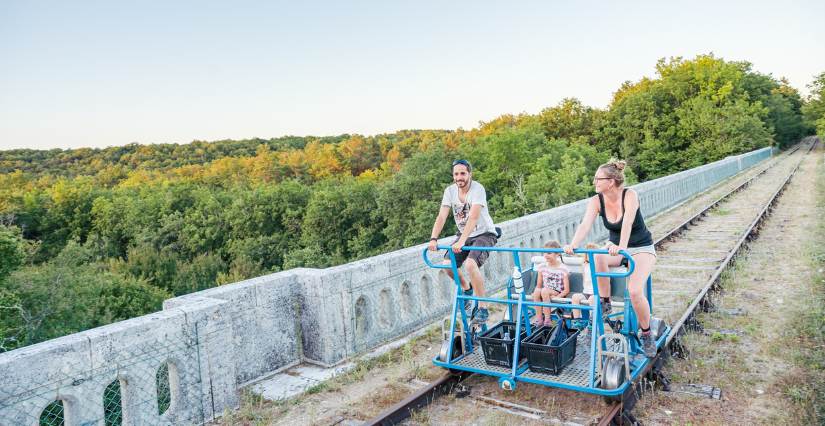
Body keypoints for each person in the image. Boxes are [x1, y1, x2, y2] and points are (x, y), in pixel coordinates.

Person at [563, 158, 659, 358]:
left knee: (634, 291)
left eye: (598, 179)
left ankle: (647, 333)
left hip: (641, 248)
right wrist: (573, 244)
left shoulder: (630, 195)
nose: (594, 182)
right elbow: (585, 225)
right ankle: (604, 301)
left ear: (611, 181)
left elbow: (628, 222)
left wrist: (622, 248)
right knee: (597, 256)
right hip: (617, 248)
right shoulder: (596, 201)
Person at [428, 159, 498, 325]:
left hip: (484, 233)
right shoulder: (450, 191)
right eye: (456, 174)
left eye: (462, 174)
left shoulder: (477, 189)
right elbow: (442, 215)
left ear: (469, 174)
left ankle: (482, 307)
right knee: (447, 265)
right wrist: (433, 238)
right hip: (464, 234)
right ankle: (467, 289)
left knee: (470, 265)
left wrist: (462, 241)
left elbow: (473, 217)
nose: (459, 177)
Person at [531, 240, 570, 327]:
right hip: (545, 291)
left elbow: (566, 290)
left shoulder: (563, 269)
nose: (545, 255)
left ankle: (547, 321)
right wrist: (535, 292)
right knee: (538, 291)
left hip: (557, 292)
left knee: (544, 291)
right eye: (544, 252)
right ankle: (539, 319)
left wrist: (557, 297)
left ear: (557, 254)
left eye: (549, 253)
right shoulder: (542, 267)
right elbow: (538, 286)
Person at [571, 242, 601, 328]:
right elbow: (584, 279)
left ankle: (592, 322)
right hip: (587, 292)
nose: (591, 256)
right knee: (575, 297)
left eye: (594, 254)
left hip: (596, 293)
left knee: (592, 299)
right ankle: (577, 321)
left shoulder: (600, 266)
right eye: (589, 254)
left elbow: (605, 282)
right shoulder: (585, 265)